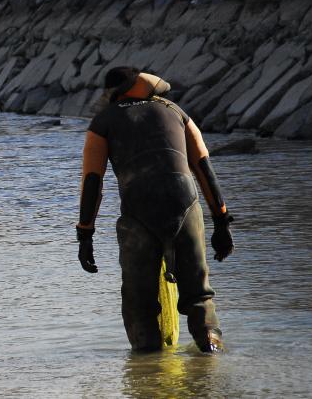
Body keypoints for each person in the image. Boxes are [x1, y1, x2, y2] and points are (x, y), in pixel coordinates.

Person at [75, 67, 234, 353]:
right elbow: (204, 169)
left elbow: (92, 181)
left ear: (111, 93)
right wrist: (221, 221)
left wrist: (85, 234)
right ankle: (211, 353)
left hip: (139, 211)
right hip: (185, 203)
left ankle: (148, 373)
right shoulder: (175, 111)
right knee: (199, 296)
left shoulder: (103, 122)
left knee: (140, 304)